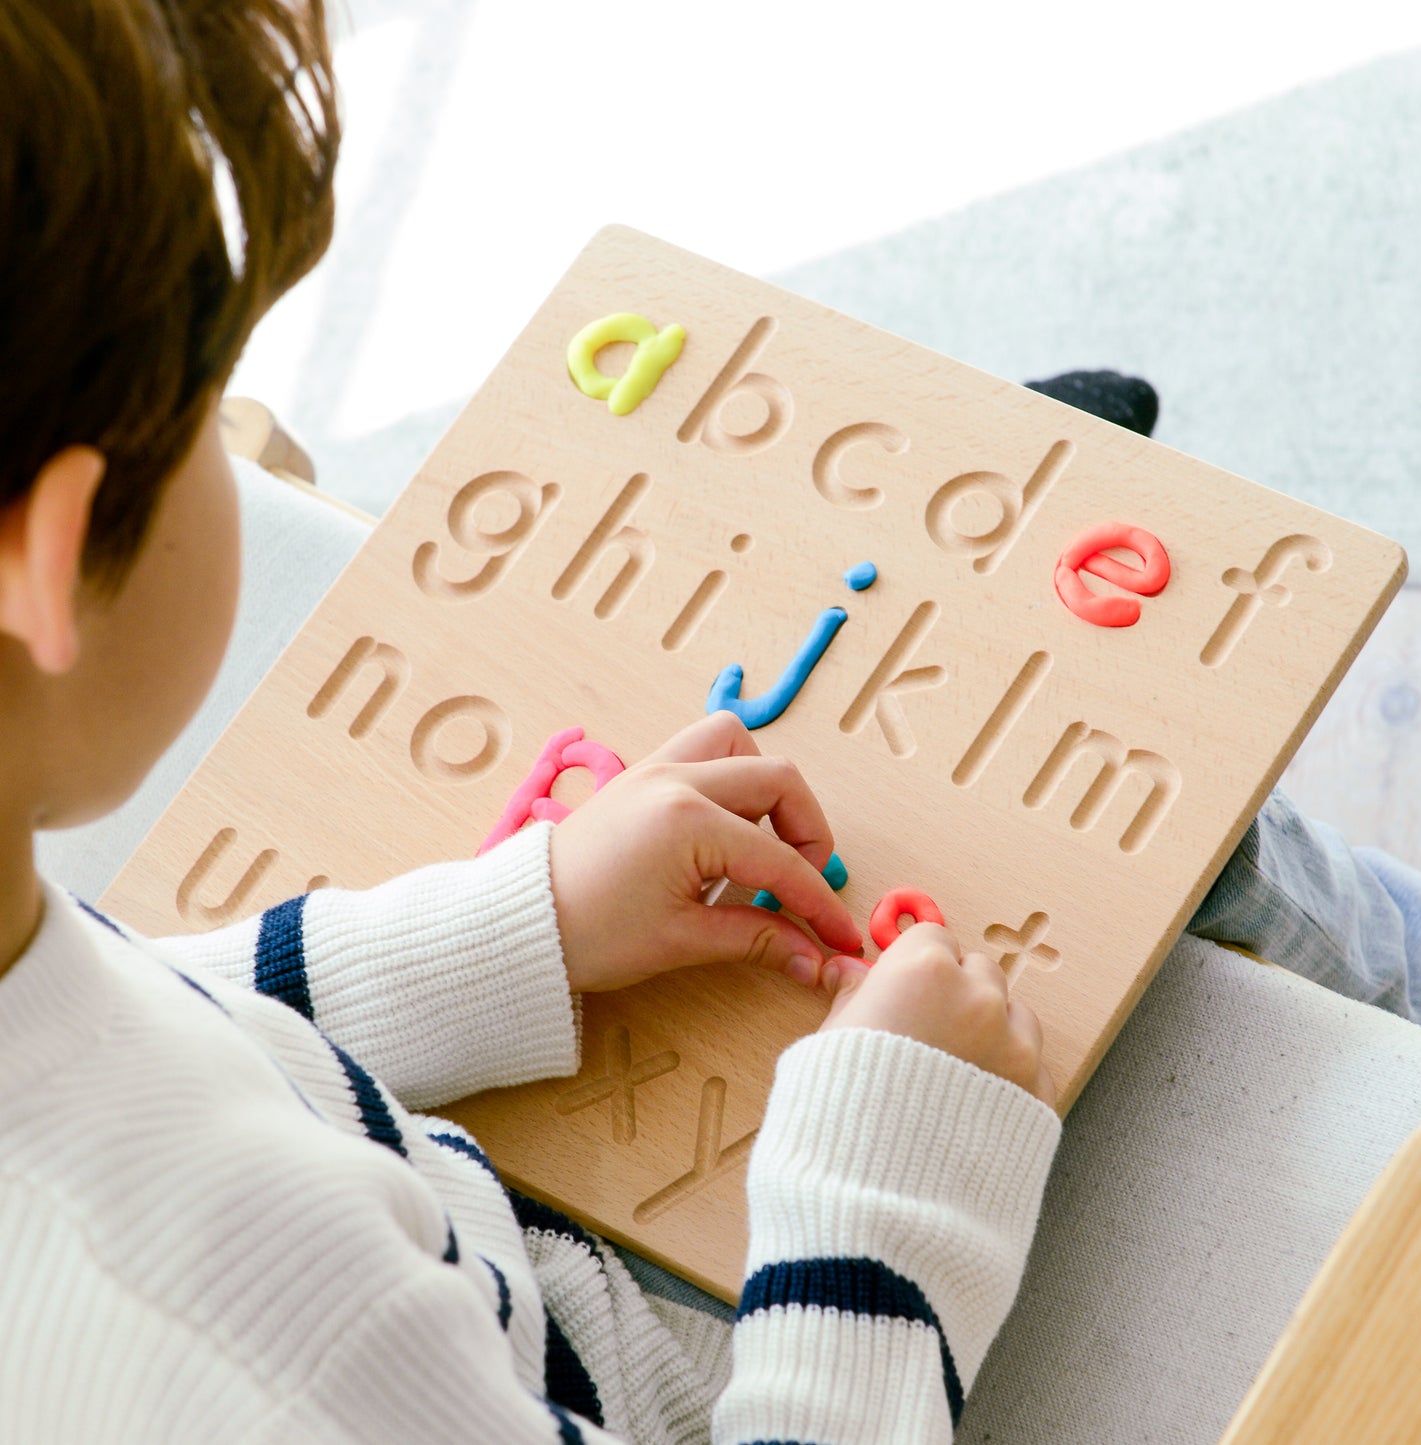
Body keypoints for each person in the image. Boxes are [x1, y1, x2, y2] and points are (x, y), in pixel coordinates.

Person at [0, 4, 1060, 1441]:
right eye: (208, 402)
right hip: (671, 1377)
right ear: (49, 559)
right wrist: (886, 1185)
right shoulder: (273, 1336)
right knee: (1218, 871)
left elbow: (136, 1009)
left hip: (475, 1240)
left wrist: (520, 928)